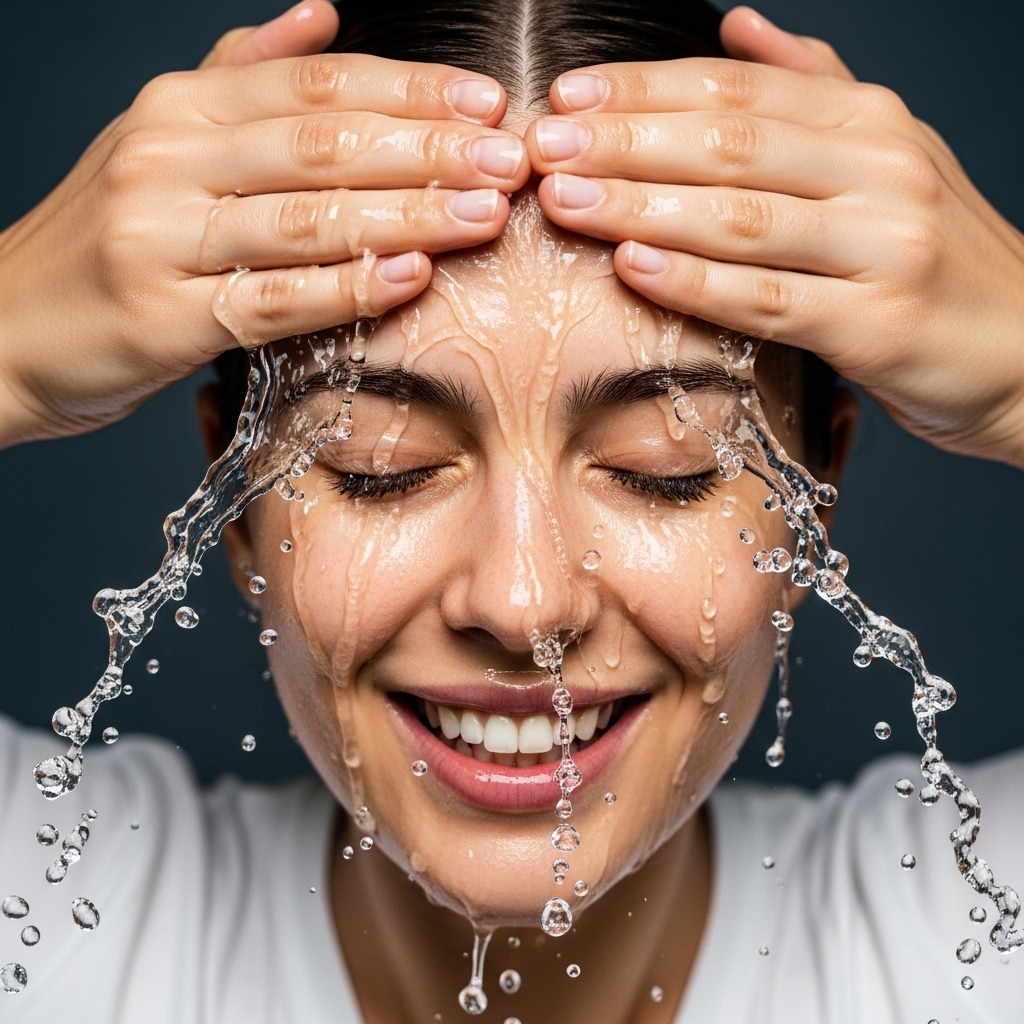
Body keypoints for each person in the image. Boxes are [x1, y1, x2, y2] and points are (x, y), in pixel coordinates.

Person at [0, 2, 1020, 1022]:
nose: (523, 602)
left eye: (663, 466)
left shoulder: (981, 942)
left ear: (813, 502)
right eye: (377, 465)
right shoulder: (47, 912)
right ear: (232, 500)